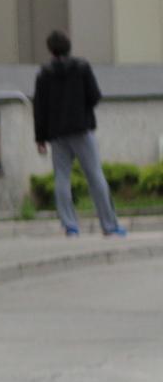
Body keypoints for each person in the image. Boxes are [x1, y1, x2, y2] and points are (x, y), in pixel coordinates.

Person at [33, 30, 126, 239]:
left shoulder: (44, 73)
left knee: (62, 177)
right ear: (69, 46)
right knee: (95, 175)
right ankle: (109, 226)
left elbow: (39, 107)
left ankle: (70, 226)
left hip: (57, 134)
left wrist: (40, 137)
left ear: (50, 49)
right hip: (82, 130)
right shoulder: (82, 68)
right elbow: (95, 96)